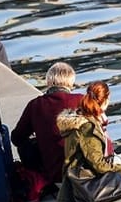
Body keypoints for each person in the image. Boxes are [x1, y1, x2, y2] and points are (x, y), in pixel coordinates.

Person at [12, 62, 84, 193]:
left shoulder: (35, 105)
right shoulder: (81, 100)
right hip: (82, 169)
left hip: (54, 174)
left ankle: (43, 179)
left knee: (25, 145)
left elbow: (17, 138)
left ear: (48, 82)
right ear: (71, 82)